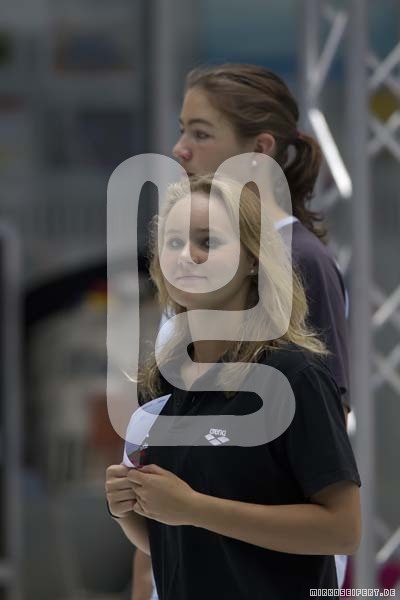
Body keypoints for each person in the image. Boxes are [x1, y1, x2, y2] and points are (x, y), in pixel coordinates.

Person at [131, 63, 352, 599]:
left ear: (260, 149)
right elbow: (172, 488)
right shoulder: (172, 365)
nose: (180, 149)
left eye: (201, 133)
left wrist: (194, 508)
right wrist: (143, 529)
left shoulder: (300, 268)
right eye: (174, 245)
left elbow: (323, 433)